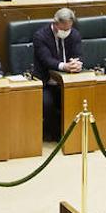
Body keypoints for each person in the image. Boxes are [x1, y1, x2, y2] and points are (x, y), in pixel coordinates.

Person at [32, 8, 83, 139]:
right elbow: (46, 60)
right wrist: (64, 66)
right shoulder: (40, 36)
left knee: (80, 99)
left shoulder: (74, 34)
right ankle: (54, 134)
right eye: (64, 29)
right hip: (46, 82)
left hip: (68, 82)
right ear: (55, 24)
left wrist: (77, 64)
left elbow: (78, 55)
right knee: (47, 103)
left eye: (69, 29)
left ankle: (73, 133)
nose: (66, 32)